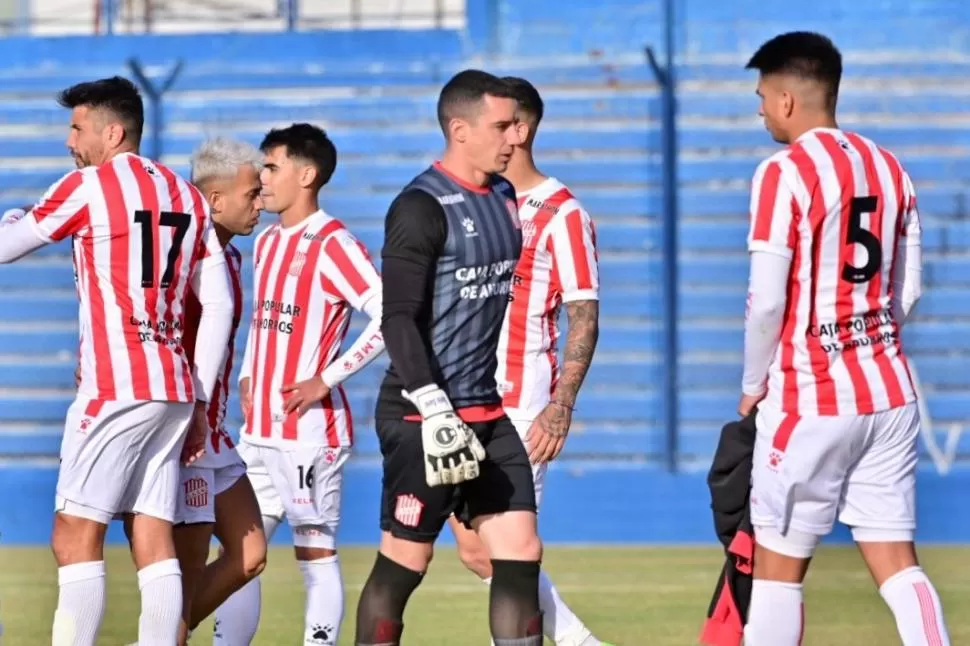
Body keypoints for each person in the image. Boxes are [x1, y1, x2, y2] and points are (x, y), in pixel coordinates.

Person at [0, 76, 234, 646]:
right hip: (173, 387)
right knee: (152, 535)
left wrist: (12, 215)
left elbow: (9, 246)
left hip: (115, 385)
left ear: (113, 131)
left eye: (77, 128)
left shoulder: (91, 185)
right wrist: (200, 396)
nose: (68, 142)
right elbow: (221, 300)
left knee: (74, 534)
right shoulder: (185, 194)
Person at [739, 32, 949, 645]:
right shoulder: (889, 167)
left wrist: (753, 386)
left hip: (810, 397)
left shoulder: (783, 172)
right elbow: (907, 287)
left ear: (785, 99)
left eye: (760, 96)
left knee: (779, 569)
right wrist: (868, 338)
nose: (758, 110)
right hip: (887, 391)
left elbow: (767, 300)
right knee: (896, 562)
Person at [354, 69, 544, 646]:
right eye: (502, 125)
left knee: (520, 553)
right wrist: (434, 406)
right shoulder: (419, 206)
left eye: (517, 125)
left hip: (487, 412)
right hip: (421, 416)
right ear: (460, 130)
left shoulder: (507, 196)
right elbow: (397, 318)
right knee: (405, 564)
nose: (516, 136)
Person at [443, 76, 609, 646]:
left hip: (519, 401)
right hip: (463, 397)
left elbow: (583, 315)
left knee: (505, 549)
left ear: (522, 128)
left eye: (501, 122)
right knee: (476, 548)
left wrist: (561, 404)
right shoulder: (477, 202)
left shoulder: (562, 213)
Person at [214, 123, 385, 646]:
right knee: (241, 555)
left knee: (315, 553)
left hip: (309, 432)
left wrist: (325, 379)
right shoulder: (266, 242)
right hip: (258, 430)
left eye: (271, 166)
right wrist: (246, 374)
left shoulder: (334, 243)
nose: (262, 178)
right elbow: (261, 319)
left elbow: (388, 316)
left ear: (306, 174)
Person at [175, 137, 269, 642]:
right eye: (252, 194)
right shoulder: (186, 259)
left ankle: (161, 634)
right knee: (182, 577)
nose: (261, 203)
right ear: (214, 200)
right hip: (184, 438)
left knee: (249, 556)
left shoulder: (228, 258)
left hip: (212, 435)